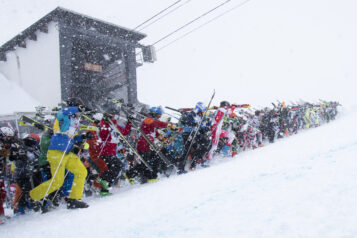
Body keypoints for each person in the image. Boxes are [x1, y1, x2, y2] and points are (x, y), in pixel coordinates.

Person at [29, 102, 89, 209]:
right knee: (57, 182)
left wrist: (83, 136)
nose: (80, 114)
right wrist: (78, 108)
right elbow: (63, 111)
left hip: (67, 152)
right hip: (56, 152)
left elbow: (73, 138)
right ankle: (33, 196)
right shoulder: (63, 118)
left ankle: (73, 199)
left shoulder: (74, 123)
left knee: (81, 171)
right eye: (78, 112)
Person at [96, 111, 132, 196]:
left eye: (117, 117)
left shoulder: (115, 126)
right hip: (105, 152)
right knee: (118, 165)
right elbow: (102, 133)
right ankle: (102, 178)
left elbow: (125, 132)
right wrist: (107, 125)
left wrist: (129, 123)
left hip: (112, 152)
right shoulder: (104, 125)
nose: (116, 119)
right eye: (114, 117)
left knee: (112, 169)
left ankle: (104, 190)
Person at [177, 102, 211, 173]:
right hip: (188, 133)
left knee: (206, 143)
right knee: (187, 149)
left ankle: (197, 159)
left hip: (195, 133)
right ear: (199, 109)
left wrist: (205, 128)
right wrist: (194, 124)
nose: (202, 112)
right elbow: (187, 121)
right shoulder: (192, 113)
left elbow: (201, 126)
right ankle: (180, 168)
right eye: (202, 110)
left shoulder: (200, 116)